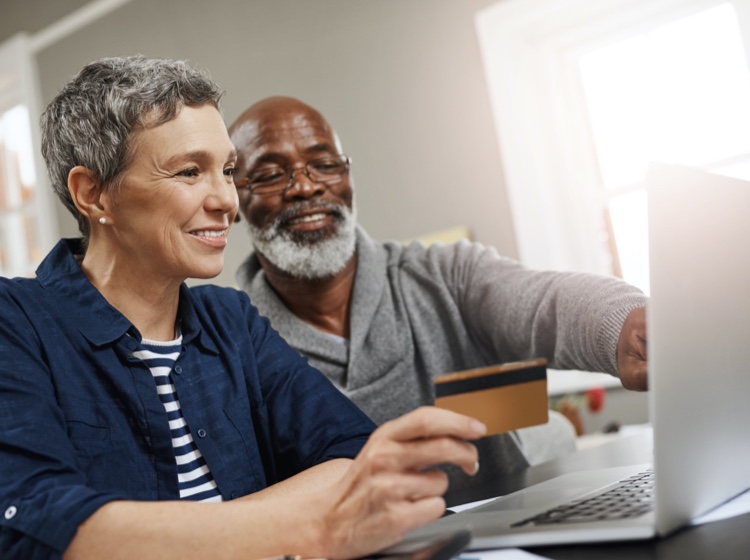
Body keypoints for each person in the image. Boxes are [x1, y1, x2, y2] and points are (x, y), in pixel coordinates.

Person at [0, 56, 486, 560]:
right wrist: (306, 525)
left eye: (228, 170)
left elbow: (355, 457)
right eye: (190, 172)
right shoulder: (15, 324)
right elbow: (43, 525)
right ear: (93, 194)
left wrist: (173, 535)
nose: (226, 200)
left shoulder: (232, 321)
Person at [228, 96, 649, 486]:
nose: (306, 187)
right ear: (234, 199)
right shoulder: (229, 349)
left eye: (325, 164)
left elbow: (546, 304)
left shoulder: (446, 274)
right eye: (269, 174)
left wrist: (626, 326)